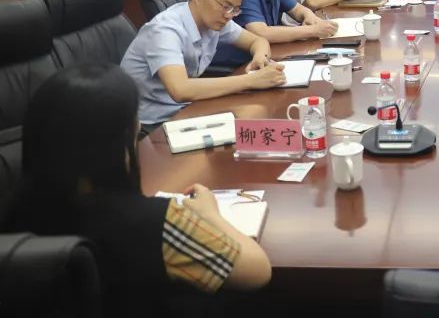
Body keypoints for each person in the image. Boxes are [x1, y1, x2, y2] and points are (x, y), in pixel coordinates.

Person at [11, 64, 271, 315]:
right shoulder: (160, 221)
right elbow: (257, 270)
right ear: (119, 142)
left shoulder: (17, 213)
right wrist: (210, 214)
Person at [121, 0, 286, 126]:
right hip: (151, 124)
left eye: (235, 9)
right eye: (226, 6)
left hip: (187, 108)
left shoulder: (215, 19)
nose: (229, 15)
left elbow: (258, 41)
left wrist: (260, 59)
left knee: (257, 114)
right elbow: (180, 89)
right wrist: (251, 80)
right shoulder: (165, 30)